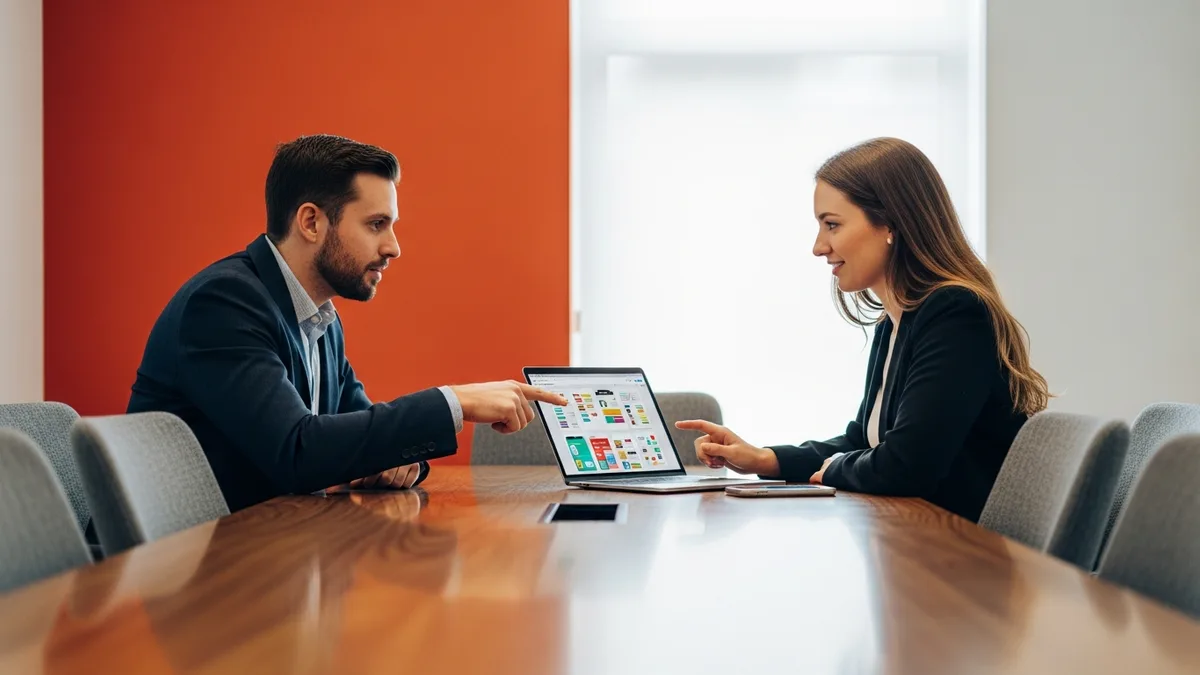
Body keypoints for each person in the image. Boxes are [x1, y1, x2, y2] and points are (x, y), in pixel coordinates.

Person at [127, 134, 567, 512]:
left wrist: (397, 460)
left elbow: (360, 434)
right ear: (311, 222)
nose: (393, 247)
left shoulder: (320, 319)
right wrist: (453, 402)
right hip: (190, 565)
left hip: (270, 549)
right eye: (376, 224)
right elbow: (298, 451)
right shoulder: (225, 303)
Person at [676, 137, 1049, 522]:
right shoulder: (895, 321)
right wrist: (765, 459)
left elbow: (906, 466)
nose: (819, 247)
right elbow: (863, 442)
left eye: (832, 225)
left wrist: (835, 468)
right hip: (913, 535)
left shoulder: (954, 312)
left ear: (890, 223)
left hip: (961, 548)